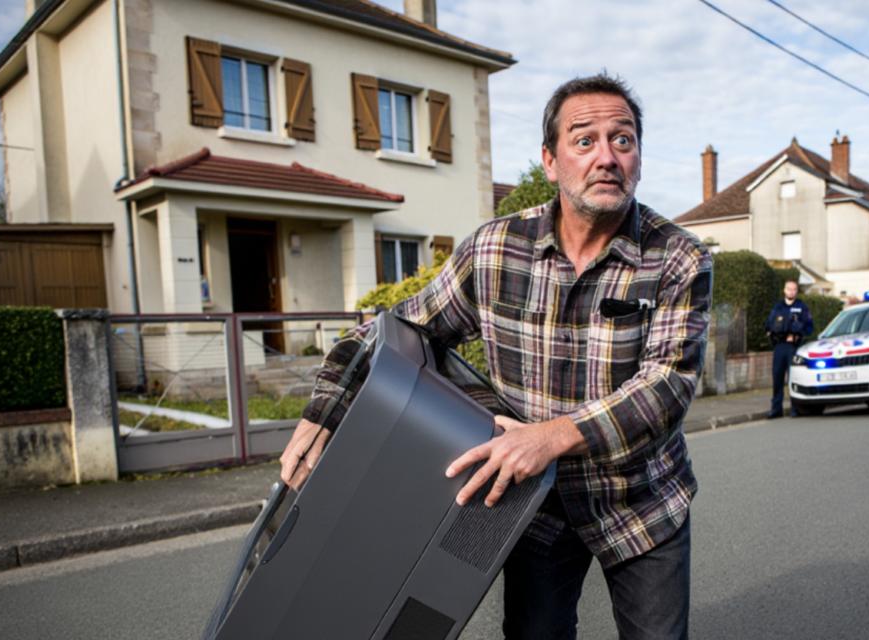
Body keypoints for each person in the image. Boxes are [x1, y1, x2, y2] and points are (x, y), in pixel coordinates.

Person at [279, 73, 711, 640]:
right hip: (532, 509)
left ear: (637, 158)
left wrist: (549, 437)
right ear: (550, 160)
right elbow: (398, 327)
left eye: (622, 140)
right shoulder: (495, 249)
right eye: (584, 140)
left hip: (641, 503)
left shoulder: (679, 257)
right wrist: (324, 410)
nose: (606, 156)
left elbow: (667, 387)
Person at [765, 280, 813, 418]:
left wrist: (799, 335)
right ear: (784, 290)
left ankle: (795, 408)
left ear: (796, 291)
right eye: (789, 289)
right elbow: (769, 324)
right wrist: (770, 332)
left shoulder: (801, 307)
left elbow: (809, 327)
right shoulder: (778, 307)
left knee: (794, 378)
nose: (791, 291)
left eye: (794, 289)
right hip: (779, 347)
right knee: (777, 378)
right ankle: (776, 409)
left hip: (794, 347)